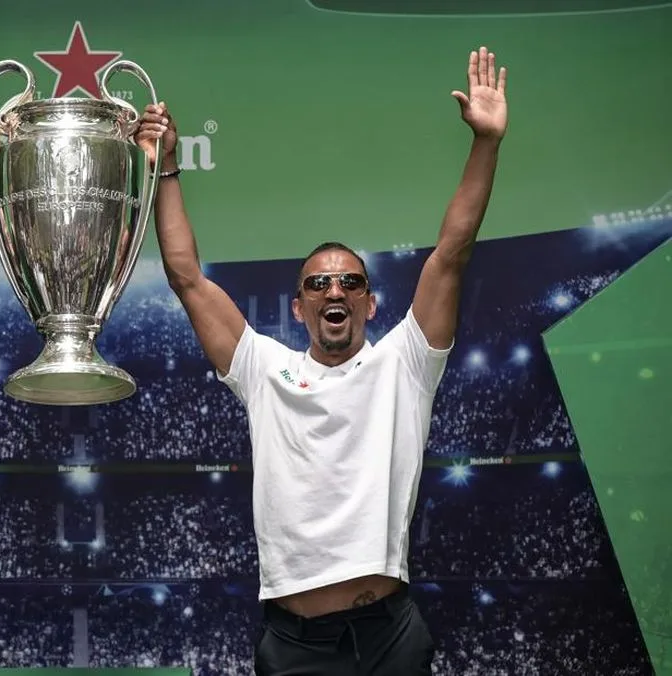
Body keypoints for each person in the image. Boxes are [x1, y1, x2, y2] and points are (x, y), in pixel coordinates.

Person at [134, 46, 508, 674]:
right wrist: (167, 167)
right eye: (318, 284)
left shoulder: (405, 363)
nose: (335, 290)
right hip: (293, 645)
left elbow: (452, 251)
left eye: (350, 283)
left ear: (370, 303)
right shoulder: (264, 369)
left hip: (387, 640)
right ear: (299, 307)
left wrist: (486, 143)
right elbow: (186, 278)